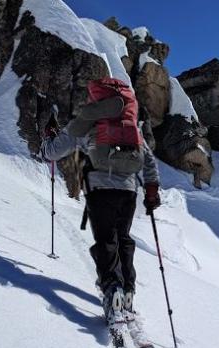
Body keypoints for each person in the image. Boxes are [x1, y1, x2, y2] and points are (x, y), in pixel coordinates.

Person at [40, 82, 160, 325]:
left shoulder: (89, 121)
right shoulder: (130, 124)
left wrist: (49, 139)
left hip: (100, 189)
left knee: (107, 240)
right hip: (128, 192)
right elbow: (147, 159)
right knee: (123, 239)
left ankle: (112, 291)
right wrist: (151, 190)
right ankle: (127, 293)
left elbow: (53, 152)